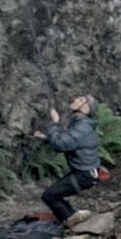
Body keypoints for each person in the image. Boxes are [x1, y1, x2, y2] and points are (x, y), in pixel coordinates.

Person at [34, 94, 100, 228]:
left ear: (85, 109)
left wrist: (54, 122)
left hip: (84, 175)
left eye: (81, 100)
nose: (75, 99)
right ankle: (74, 219)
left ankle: (70, 222)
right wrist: (47, 138)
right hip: (85, 172)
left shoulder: (82, 127)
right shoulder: (82, 124)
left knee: (50, 196)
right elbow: (69, 141)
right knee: (54, 195)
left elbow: (61, 144)